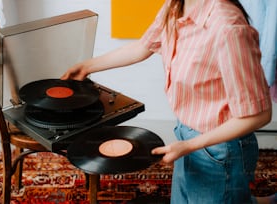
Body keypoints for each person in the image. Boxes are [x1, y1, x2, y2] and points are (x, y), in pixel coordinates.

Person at [61, 0, 272, 203]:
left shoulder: (229, 27)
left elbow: (259, 115)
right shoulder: (175, 5)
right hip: (185, 135)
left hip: (221, 149)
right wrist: (86, 66)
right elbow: (143, 47)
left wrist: (190, 145)